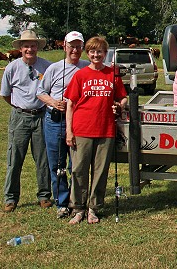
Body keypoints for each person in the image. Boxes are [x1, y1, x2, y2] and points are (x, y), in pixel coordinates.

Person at [65, 36, 128, 224]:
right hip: (82, 129)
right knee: (78, 170)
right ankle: (78, 208)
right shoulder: (80, 75)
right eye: (92, 51)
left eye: (99, 51)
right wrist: (69, 131)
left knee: (100, 171)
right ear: (88, 53)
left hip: (105, 129)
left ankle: (93, 208)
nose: (96, 55)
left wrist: (120, 105)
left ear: (105, 53)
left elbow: (122, 97)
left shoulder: (112, 74)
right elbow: (70, 104)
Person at [37, 31, 90, 218]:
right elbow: (40, 91)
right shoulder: (54, 68)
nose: (75, 50)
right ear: (64, 47)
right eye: (71, 46)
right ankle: (61, 201)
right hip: (55, 121)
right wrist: (53, 102)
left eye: (78, 46)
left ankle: (77, 201)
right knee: (56, 164)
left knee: (76, 164)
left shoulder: (87, 67)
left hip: (79, 122)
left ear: (82, 48)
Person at [1, 30, 52, 213]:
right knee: (15, 158)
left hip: (41, 116)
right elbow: (6, 95)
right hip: (20, 117)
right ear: (20, 48)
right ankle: (10, 198)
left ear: (37, 47)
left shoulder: (47, 67)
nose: (29, 49)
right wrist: (20, 107)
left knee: (43, 158)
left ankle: (45, 195)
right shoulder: (11, 68)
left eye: (33, 45)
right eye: (26, 45)